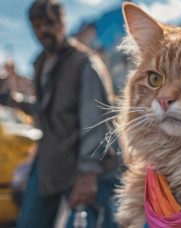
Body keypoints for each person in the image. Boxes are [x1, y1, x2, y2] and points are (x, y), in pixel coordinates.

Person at [17, 1, 120, 227]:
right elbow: (49, 112)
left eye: (50, 23)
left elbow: (96, 122)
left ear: (63, 23)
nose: (44, 30)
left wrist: (89, 173)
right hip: (50, 164)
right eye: (37, 25)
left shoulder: (85, 63)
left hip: (84, 167)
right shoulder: (40, 63)